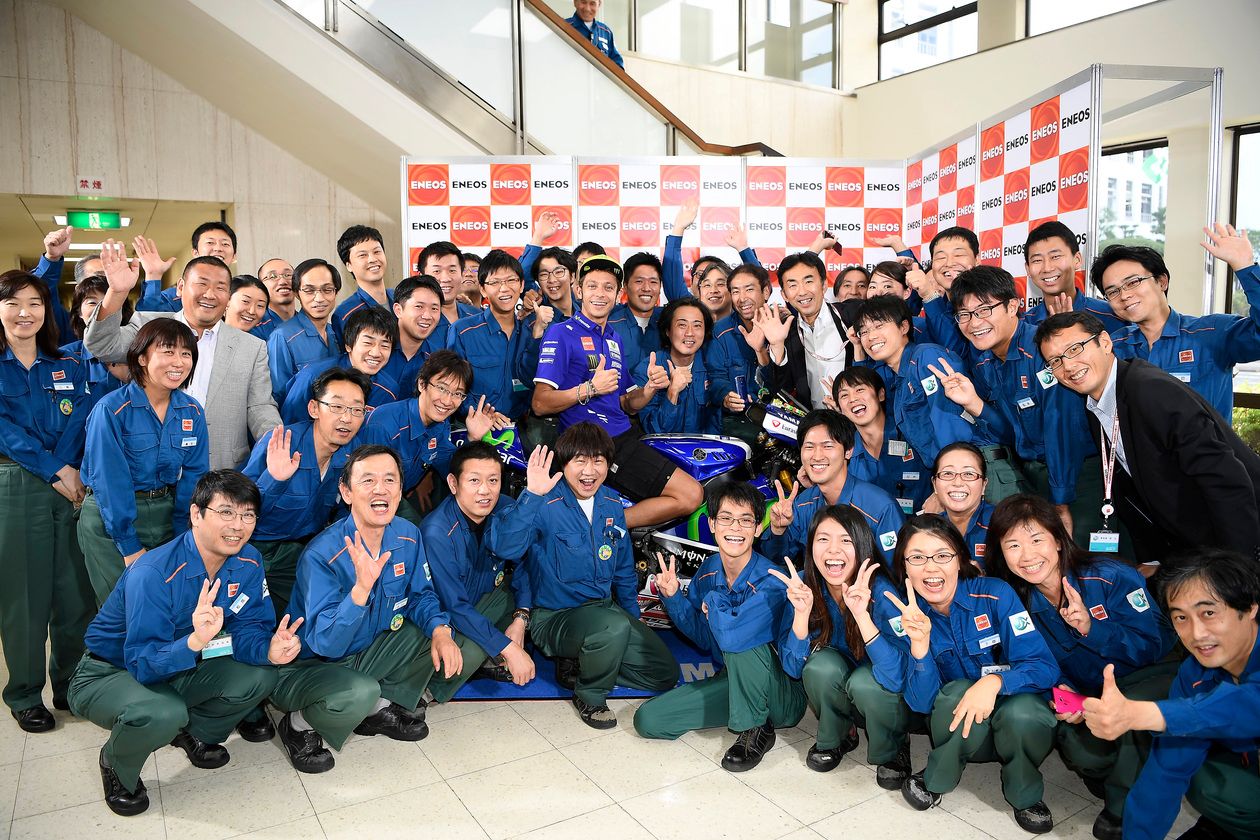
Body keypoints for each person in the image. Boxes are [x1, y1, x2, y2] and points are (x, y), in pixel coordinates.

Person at [67, 470, 301, 816]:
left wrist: (268, 648)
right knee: (164, 712)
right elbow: (143, 662)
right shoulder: (154, 572)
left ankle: (195, 732)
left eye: (248, 515)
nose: (237, 525)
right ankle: (116, 762)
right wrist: (194, 640)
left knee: (260, 675)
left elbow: (250, 627)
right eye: (226, 512)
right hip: (111, 671)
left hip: (185, 661)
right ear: (196, 514)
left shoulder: (249, 562)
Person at [985, 493, 1175, 840]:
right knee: (1082, 752)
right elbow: (1029, 659)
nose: (1027, 555)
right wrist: (1060, 692)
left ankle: (1124, 809)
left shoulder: (1110, 576)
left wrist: (1091, 628)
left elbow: (1153, 647)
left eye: (1037, 539)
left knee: (1128, 716)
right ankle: (1119, 771)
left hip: (1147, 678)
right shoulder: (1017, 600)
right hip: (1089, 692)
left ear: (1059, 540)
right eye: (1013, 545)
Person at [271, 445, 461, 773]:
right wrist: (360, 591)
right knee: (361, 690)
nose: (380, 489)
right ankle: (299, 724)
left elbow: (421, 596)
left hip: (365, 648)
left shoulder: (408, 535)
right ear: (346, 492)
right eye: (368, 480)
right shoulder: (322, 554)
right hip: (310, 666)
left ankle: (375, 709)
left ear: (400, 489)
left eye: (390, 480)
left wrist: (440, 630)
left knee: (433, 630)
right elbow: (326, 643)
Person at [882, 515, 1061, 833]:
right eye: (917, 558)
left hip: (1012, 722)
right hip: (960, 730)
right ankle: (939, 776)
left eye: (942, 555)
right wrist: (920, 646)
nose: (931, 568)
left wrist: (995, 682)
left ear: (960, 559)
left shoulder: (995, 595)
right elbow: (921, 704)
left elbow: (1045, 667)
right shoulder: (908, 616)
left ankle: (1025, 794)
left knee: (1025, 712)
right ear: (905, 567)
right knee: (955, 692)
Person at [1036, 311, 1260, 564]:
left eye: (1075, 349)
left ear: (1105, 342)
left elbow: (1225, 478)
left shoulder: (1150, 391)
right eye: (1055, 361)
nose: (1068, 366)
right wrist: (1155, 560)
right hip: (1190, 542)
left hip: (1237, 537)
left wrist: (1239, 566)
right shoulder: (1097, 403)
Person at [505, 423, 679, 728]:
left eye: (598, 460)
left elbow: (623, 569)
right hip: (555, 616)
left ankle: (588, 663)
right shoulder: (543, 502)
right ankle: (590, 694)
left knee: (664, 673)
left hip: (603, 612)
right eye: (580, 461)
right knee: (611, 627)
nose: (589, 470)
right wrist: (530, 496)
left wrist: (633, 617)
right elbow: (507, 548)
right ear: (564, 464)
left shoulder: (612, 504)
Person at [1084, 548, 1260, 840]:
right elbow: (1166, 771)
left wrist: (1146, 713)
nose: (1197, 633)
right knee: (1209, 781)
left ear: (1250, 607)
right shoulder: (1194, 673)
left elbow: (1249, 705)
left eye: (1209, 613)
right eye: (1181, 617)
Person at [634, 482, 806, 770]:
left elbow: (731, 638)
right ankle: (746, 710)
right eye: (726, 518)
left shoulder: (771, 581)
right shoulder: (709, 570)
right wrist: (674, 598)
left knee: (741, 640)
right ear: (712, 524)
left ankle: (755, 728)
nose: (735, 528)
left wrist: (713, 601)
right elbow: (705, 638)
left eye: (745, 520)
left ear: (758, 528)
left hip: (781, 695)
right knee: (649, 720)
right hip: (734, 679)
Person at [928, 265, 1101, 546]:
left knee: (1081, 557)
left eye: (984, 310)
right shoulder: (985, 362)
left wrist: (1061, 501)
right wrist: (974, 403)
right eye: (964, 314)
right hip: (1033, 476)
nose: (974, 322)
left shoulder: (1042, 350)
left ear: (1012, 306)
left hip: (1077, 478)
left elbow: (1061, 428)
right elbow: (1011, 433)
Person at [532, 255, 704, 529]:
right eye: (592, 286)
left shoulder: (614, 338)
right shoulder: (560, 333)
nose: (600, 294)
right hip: (591, 443)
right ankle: (601, 526)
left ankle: (606, 524)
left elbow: (627, 403)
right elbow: (540, 403)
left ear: (617, 295)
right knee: (690, 494)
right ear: (578, 291)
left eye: (608, 287)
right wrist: (590, 389)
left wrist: (650, 388)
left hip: (623, 436)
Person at [0, 270, 95, 734]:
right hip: (18, 484)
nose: (25, 313)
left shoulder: (68, 364)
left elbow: (80, 417)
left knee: (74, 593)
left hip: (70, 484)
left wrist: (67, 469)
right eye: (13, 303)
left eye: (35, 303)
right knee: (25, 596)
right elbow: (5, 431)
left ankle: (70, 683)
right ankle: (24, 692)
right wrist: (54, 468)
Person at [86, 243, 281, 470]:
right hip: (151, 469)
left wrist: (276, 442)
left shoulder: (252, 347)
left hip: (221, 468)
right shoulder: (148, 325)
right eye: (202, 284)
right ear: (180, 287)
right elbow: (102, 345)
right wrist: (117, 293)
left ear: (228, 297)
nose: (210, 294)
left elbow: (260, 406)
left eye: (220, 288)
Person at [79, 319, 210, 605]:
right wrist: (128, 545)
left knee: (167, 606)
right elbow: (110, 483)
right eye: (168, 351)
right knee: (126, 608)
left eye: (186, 354)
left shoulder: (192, 411)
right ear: (141, 358)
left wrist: (184, 534)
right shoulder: (112, 409)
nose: (179, 362)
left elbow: (195, 476)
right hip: (112, 519)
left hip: (166, 513)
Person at [772, 506, 903, 775]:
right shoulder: (803, 587)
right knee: (820, 667)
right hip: (841, 684)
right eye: (823, 539)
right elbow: (793, 669)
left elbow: (897, 676)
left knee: (865, 682)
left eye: (845, 540)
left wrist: (862, 616)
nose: (833, 550)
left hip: (879, 689)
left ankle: (893, 748)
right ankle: (839, 735)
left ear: (862, 545)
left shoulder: (881, 592)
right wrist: (801, 614)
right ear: (810, 547)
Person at [241, 367, 371, 620]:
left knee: (315, 612)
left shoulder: (353, 456)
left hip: (300, 551)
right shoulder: (280, 443)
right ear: (314, 409)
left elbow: (346, 510)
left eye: (357, 410)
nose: (347, 418)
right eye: (337, 407)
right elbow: (239, 509)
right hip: (251, 548)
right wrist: (274, 479)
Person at [1094, 225, 1260, 420]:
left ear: (1162, 282)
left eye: (1132, 282)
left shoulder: (1211, 333)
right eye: (1113, 291)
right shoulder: (1113, 347)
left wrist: (1246, 268)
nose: (1124, 295)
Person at [420, 441, 536, 699]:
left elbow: (523, 563)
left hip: (484, 597)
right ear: (453, 483)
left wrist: (521, 618)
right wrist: (509, 648)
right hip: (445, 616)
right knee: (471, 652)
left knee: (531, 604)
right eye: (474, 480)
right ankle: (426, 693)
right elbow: (454, 606)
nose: (485, 490)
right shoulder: (437, 532)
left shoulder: (504, 507)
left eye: (493, 480)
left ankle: (490, 653)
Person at [364, 350, 502, 519]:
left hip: (397, 495)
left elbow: (450, 468)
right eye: (442, 388)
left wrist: (473, 438)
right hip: (368, 500)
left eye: (457, 394)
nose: (447, 401)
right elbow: (366, 487)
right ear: (422, 384)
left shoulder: (440, 425)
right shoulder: (384, 425)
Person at [761, 409, 904, 564]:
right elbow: (776, 560)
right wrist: (778, 530)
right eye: (809, 447)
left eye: (827, 446)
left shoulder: (881, 508)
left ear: (848, 451)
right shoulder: (802, 504)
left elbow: (897, 572)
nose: (817, 456)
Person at [854, 294, 974, 468]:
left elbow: (951, 426)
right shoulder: (899, 381)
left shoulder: (926, 358)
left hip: (966, 468)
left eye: (879, 326)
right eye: (864, 331)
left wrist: (949, 474)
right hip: (946, 470)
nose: (871, 336)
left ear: (904, 327)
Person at [446, 249, 545, 423]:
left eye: (511, 280)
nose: (504, 288)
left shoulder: (531, 332)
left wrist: (536, 336)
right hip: (474, 426)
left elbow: (534, 381)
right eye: (495, 282)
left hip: (522, 427)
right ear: (483, 289)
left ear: (522, 285)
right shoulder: (462, 331)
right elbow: (451, 387)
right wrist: (482, 414)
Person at [832, 367, 932, 515]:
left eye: (860, 390)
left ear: (881, 394)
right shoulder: (845, 455)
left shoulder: (911, 430)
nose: (853, 399)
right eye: (844, 395)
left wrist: (938, 496)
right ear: (840, 408)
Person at [279, 306, 399, 423]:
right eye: (367, 343)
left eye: (385, 345)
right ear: (348, 345)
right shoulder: (312, 376)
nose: (376, 353)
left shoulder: (389, 390)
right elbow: (290, 425)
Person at [766, 251, 853, 410]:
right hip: (813, 421)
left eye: (808, 281)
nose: (802, 291)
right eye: (792, 285)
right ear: (784, 295)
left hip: (855, 419)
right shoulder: (786, 332)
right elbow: (783, 392)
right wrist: (777, 346)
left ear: (824, 285)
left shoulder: (851, 315)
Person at [629, 296, 723, 435]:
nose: (690, 333)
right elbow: (654, 431)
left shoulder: (713, 366)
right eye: (682, 325)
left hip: (703, 446)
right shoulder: (649, 370)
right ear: (668, 331)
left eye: (697, 325)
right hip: (662, 447)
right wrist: (673, 391)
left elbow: (717, 424)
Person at [705, 263, 775, 442]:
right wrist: (726, 397)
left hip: (778, 419)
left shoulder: (781, 326)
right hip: (737, 423)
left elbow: (783, 382)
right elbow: (715, 377)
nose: (742, 298)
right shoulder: (720, 331)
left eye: (749, 289)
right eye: (735, 291)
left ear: (766, 292)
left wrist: (761, 350)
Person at [1021, 221, 1123, 332]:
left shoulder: (1112, 316)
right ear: (1028, 269)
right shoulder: (1022, 326)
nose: (1047, 268)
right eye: (1037, 260)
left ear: (1077, 260)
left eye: (1055, 256)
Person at [267, 258, 341, 402]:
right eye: (309, 290)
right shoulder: (282, 337)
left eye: (327, 290)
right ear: (296, 293)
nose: (319, 298)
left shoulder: (336, 333)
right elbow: (277, 396)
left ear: (336, 293)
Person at [136, 222, 237, 312]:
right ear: (195, 253)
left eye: (225, 244)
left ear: (234, 256)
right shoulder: (175, 296)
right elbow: (148, 318)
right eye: (210, 242)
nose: (218, 248)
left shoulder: (241, 293)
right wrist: (153, 276)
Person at [61, 273, 132, 398]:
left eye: (109, 302)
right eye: (92, 303)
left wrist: (133, 380)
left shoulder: (137, 354)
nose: (101, 309)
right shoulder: (64, 357)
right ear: (79, 312)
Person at [927, 442, 994, 569]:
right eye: (948, 473)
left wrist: (984, 579)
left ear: (984, 485)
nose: (957, 482)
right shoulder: (928, 530)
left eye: (968, 474)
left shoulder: (1002, 525)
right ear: (934, 484)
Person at [383, 275, 446, 398]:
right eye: (419, 306)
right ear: (398, 310)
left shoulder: (436, 361)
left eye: (434, 308)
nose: (427, 316)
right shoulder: (376, 350)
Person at [332, 225, 393, 339]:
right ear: (349, 265)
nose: (373, 259)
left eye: (377, 252)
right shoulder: (345, 313)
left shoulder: (401, 298)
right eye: (362, 255)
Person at [417, 240, 477, 325]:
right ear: (421, 276)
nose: (446, 279)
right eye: (437, 271)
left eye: (452, 270)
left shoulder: (476, 317)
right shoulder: (414, 320)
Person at [566, 0, 623, 68]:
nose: (587, 9)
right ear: (575, 2)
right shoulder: (564, 27)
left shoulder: (606, 32)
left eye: (592, 4)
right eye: (583, 2)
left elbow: (617, 65)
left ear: (599, 5)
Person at [225, 275, 277, 340]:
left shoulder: (262, 343)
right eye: (245, 301)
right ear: (227, 300)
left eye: (260, 305)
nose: (252, 311)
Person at [258, 258, 297, 322]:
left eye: (288, 275)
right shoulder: (254, 326)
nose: (283, 281)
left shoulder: (310, 323)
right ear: (261, 287)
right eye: (273, 276)